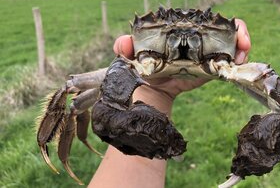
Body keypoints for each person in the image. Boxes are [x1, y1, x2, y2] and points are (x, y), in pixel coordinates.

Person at [88, 19, 251, 188]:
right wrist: (152, 91)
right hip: (148, 74)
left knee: (279, 104)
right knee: (86, 98)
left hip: (218, 61)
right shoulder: (129, 67)